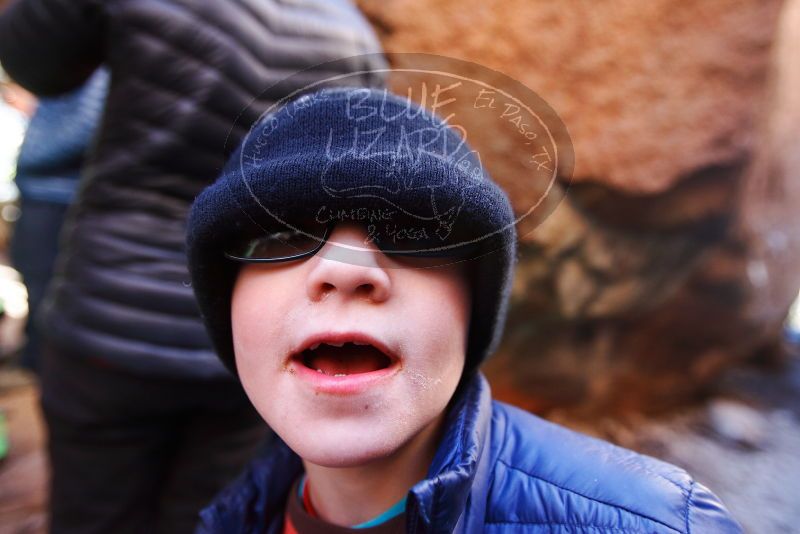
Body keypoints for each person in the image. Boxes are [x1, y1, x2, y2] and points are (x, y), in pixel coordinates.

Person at [185, 87, 743, 533]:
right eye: (282, 236)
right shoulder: (228, 516)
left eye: (417, 233)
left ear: (472, 304)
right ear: (225, 303)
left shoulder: (662, 523)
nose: (348, 268)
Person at [0, 1, 386, 532]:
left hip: (112, 314)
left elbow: (32, 59)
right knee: (210, 515)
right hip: (243, 342)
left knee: (93, 512)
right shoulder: (356, 44)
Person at [9, 68, 108, 373]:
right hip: (49, 198)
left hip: (58, 200)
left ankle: (49, 376)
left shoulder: (91, 67)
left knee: (50, 297)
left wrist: (29, 154)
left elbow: (89, 123)